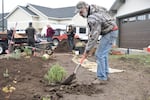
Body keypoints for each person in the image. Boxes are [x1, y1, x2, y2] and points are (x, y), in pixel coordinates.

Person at [75, 1, 118, 84]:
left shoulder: (92, 18)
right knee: (103, 54)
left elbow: (94, 36)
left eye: (80, 12)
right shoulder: (96, 8)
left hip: (110, 32)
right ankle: (105, 75)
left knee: (99, 54)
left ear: (86, 8)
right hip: (112, 30)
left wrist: (87, 50)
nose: (80, 14)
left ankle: (102, 77)